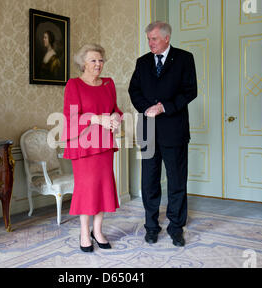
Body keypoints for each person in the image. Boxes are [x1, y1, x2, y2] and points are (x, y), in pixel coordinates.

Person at [128, 21, 197, 247]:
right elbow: (133, 90)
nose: (150, 43)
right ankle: (151, 227)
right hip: (147, 129)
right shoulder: (142, 62)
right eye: (148, 39)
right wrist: (147, 108)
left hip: (174, 131)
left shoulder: (185, 58)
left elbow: (190, 91)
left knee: (177, 181)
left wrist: (163, 107)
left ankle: (176, 227)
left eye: (154, 39)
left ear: (167, 38)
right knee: (149, 182)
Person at [62, 44, 123, 252]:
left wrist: (115, 117)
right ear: (83, 63)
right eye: (93, 60)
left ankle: (97, 231)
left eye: (100, 60)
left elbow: (115, 109)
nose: (98, 64)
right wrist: (98, 119)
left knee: (102, 187)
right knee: (87, 189)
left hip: (104, 145)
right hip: (83, 145)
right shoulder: (74, 85)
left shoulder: (108, 84)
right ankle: (83, 232)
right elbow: (71, 118)